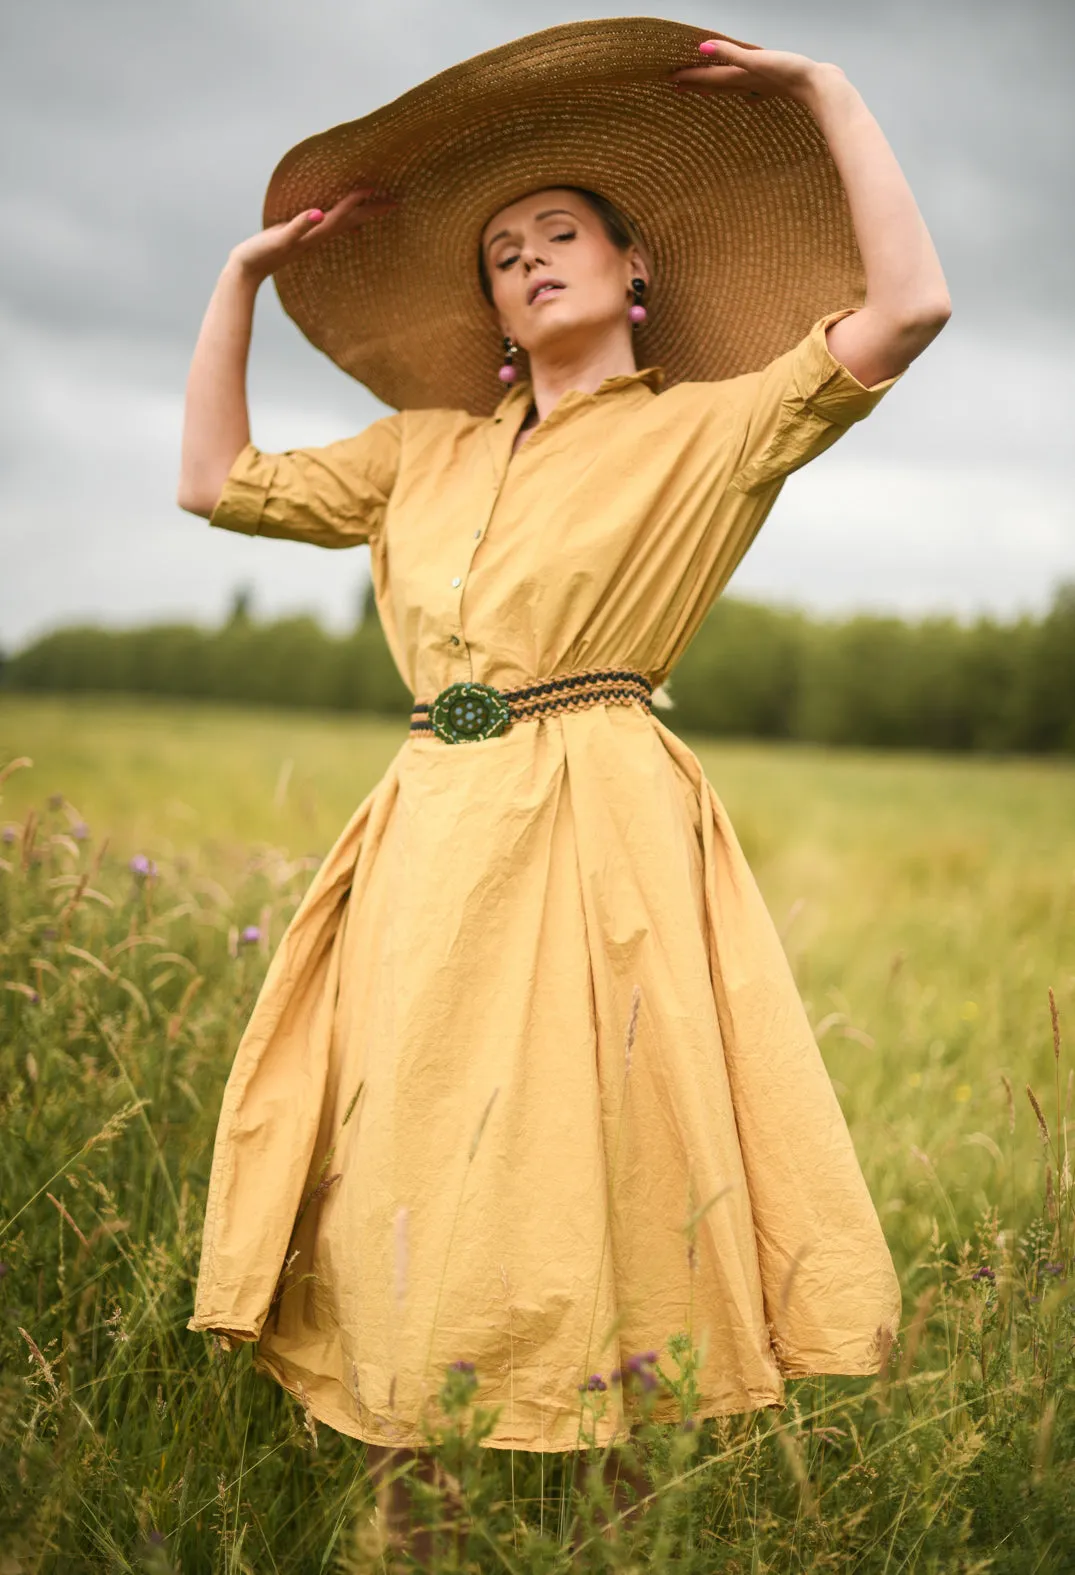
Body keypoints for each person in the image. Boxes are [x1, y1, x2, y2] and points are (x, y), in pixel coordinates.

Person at [178, 18, 950, 1557]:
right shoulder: (424, 453)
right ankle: (420, 1500)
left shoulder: (711, 430)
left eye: (558, 235)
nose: (524, 261)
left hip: (595, 813)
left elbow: (909, 306)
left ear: (632, 269)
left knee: (598, 1144)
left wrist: (822, 89)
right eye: (499, 255)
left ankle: (610, 1506)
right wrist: (239, 281)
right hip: (424, 826)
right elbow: (216, 482)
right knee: (412, 1147)